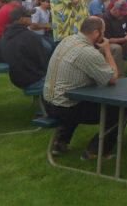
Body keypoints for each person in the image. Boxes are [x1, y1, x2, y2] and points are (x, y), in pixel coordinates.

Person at [43, 17, 122, 159]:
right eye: (104, 31)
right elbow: (112, 77)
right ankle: (94, 151)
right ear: (97, 32)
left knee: (76, 98)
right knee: (119, 111)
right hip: (63, 107)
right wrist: (107, 50)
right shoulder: (88, 52)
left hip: (47, 102)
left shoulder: (68, 40)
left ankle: (59, 143)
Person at [0, 6, 48, 92]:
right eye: (29, 16)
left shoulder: (4, 35)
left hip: (17, 81)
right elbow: (43, 64)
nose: (31, 17)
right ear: (22, 19)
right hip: (35, 80)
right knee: (67, 84)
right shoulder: (31, 37)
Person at [102, 0, 127, 66]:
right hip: (111, 44)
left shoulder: (124, 16)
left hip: (124, 41)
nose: (122, 15)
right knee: (117, 48)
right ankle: (119, 74)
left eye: (124, 14)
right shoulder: (105, 18)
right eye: (121, 13)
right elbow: (107, 40)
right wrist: (124, 39)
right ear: (114, 9)